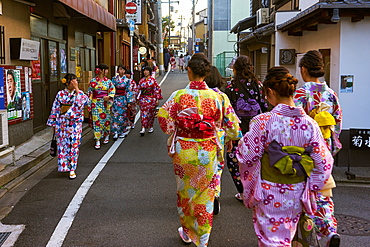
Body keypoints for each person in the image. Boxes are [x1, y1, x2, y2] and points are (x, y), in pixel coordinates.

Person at [236, 66, 334, 246]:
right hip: (297, 191)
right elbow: (324, 162)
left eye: (266, 94)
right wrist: (311, 187)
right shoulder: (310, 124)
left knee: (270, 239)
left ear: (271, 91)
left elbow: (248, 155)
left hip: (268, 190)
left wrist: (241, 146)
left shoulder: (263, 121)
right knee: (286, 236)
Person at [157, 53, 241, 246]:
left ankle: (187, 232)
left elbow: (164, 120)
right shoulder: (218, 97)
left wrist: (177, 128)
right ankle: (202, 239)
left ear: (189, 71)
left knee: (185, 193)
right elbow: (234, 128)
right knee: (206, 194)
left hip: (184, 151)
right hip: (208, 150)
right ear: (206, 73)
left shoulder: (179, 96)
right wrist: (225, 134)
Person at [294, 50, 342, 247]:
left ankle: (302, 235)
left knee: (300, 192)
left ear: (304, 69)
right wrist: (331, 149)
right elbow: (337, 124)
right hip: (325, 148)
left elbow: (293, 122)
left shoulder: (301, 93)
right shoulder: (331, 94)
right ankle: (330, 230)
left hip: (303, 151)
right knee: (323, 191)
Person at [224, 55, 269, 202]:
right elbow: (264, 107)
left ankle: (242, 191)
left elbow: (228, 112)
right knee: (255, 159)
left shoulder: (230, 87)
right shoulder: (258, 85)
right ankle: (255, 190)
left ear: (235, 69)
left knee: (234, 159)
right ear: (250, 68)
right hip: (255, 129)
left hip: (237, 129)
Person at [204, 65, 242, 214]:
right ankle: (214, 196)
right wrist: (231, 138)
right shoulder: (221, 96)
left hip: (194, 139)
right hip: (216, 139)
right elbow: (231, 122)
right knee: (216, 170)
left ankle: (199, 201)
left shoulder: (195, 95)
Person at [47, 73, 89, 179]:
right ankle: (65, 166)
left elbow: (85, 102)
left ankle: (72, 168)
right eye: (72, 81)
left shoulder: (79, 94)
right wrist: (53, 123)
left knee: (74, 145)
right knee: (63, 145)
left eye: (76, 80)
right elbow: (55, 108)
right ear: (67, 82)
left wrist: (77, 89)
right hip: (62, 123)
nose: (75, 82)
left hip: (75, 123)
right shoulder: (60, 94)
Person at [87, 64, 116, 149]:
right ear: (100, 70)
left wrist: (109, 96)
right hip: (95, 103)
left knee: (106, 120)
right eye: (105, 70)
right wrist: (89, 104)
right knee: (96, 121)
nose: (107, 71)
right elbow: (90, 92)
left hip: (105, 103)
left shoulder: (108, 82)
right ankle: (97, 139)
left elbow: (112, 90)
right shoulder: (93, 81)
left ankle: (106, 134)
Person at [137, 66, 162, 136]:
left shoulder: (153, 80)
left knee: (151, 113)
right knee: (143, 113)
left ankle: (150, 126)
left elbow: (157, 89)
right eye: (144, 70)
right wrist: (137, 98)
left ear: (150, 72)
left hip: (151, 98)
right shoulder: (141, 80)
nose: (145, 72)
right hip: (143, 98)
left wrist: (157, 99)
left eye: (147, 70)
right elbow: (138, 90)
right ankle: (143, 127)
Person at [111, 65, 133, 140]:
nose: (122, 71)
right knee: (115, 115)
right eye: (120, 69)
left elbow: (129, 91)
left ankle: (123, 131)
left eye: (123, 70)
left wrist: (129, 101)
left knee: (123, 116)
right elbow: (111, 89)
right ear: (117, 71)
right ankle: (115, 132)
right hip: (115, 98)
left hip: (123, 99)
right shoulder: (114, 79)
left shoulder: (127, 80)